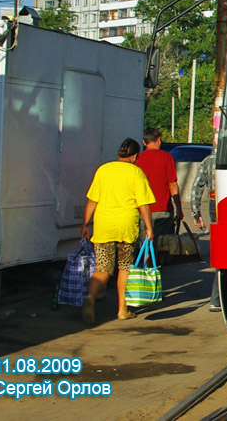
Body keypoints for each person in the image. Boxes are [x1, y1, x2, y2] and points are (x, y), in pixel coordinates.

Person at [80, 138, 156, 323]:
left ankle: (90, 297)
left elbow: (92, 201)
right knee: (124, 268)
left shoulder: (103, 170)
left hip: (103, 225)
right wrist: (149, 228)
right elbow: (143, 204)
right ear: (135, 155)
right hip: (126, 227)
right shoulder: (136, 172)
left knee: (104, 267)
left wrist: (85, 224)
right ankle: (122, 309)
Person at [136, 127, 183, 237]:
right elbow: (172, 184)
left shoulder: (138, 158)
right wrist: (179, 209)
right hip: (163, 208)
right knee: (164, 245)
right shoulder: (167, 157)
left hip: (142, 209)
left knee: (145, 244)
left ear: (144, 142)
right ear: (159, 140)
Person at [191, 153, 221, 312]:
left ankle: (216, 299)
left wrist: (196, 213)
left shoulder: (208, 161)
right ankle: (218, 297)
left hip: (214, 202)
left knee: (218, 248)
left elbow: (197, 186)